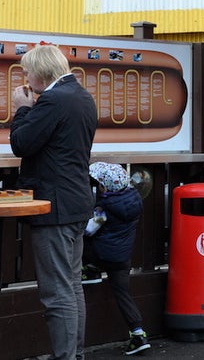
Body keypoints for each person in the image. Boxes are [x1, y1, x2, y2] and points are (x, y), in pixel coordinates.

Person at [10, 44, 98, 360]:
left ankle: (66, 357)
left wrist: (22, 107)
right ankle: (74, 353)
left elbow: (21, 143)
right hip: (75, 203)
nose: (25, 76)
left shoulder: (52, 100)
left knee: (57, 293)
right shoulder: (82, 96)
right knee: (72, 287)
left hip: (55, 208)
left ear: (42, 71)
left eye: (27, 71)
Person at [82, 162, 151, 356]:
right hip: (122, 258)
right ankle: (138, 334)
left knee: (83, 240)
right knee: (123, 294)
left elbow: (89, 230)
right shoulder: (135, 200)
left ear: (105, 186)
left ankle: (91, 269)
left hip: (102, 255)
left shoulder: (104, 207)